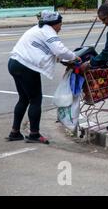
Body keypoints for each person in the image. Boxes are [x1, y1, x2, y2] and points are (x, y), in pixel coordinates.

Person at [7, 11, 81, 144]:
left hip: (14, 63)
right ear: (54, 24)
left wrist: (63, 60)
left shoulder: (38, 29)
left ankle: (15, 132)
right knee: (35, 99)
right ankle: (34, 134)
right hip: (26, 67)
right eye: (60, 24)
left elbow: (47, 51)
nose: (60, 27)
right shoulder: (49, 32)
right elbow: (60, 50)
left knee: (23, 98)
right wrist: (75, 57)